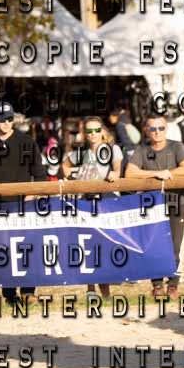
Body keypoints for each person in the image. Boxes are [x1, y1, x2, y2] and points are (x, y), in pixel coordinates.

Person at [124, 114, 184, 300]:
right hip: (152, 205)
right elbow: (130, 173)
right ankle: (157, 285)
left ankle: (173, 284)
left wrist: (168, 173)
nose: (157, 132)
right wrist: (157, 174)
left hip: (176, 202)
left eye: (161, 128)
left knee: (175, 245)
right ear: (146, 130)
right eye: (153, 128)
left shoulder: (177, 146)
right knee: (153, 245)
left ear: (166, 129)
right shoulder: (142, 150)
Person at [61, 116, 123, 300]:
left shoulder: (113, 149)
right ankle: (90, 289)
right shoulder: (81, 152)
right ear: (85, 133)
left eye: (96, 130)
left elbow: (117, 169)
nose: (93, 134)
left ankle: (106, 292)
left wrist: (115, 174)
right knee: (88, 244)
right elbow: (65, 165)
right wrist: (72, 180)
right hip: (85, 201)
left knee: (104, 244)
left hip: (106, 201)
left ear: (102, 131)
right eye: (89, 131)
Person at [0, 103, 47, 309]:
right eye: (2, 119)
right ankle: (9, 292)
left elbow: (40, 174)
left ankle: (28, 291)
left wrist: (32, 195)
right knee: (2, 249)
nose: (6, 123)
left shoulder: (26, 142)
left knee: (27, 247)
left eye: (10, 119)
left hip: (23, 204)